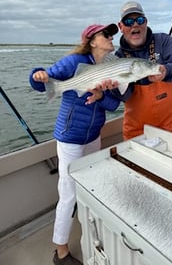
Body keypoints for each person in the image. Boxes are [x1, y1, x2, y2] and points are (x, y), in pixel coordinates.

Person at [29, 23, 120, 265]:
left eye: (112, 34)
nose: (112, 38)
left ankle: (89, 232)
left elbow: (113, 105)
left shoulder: (110, 65)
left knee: (91, 186)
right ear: (92, 41)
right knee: (68, 193)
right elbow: (43, 81)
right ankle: (60, 251)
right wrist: (38, 75)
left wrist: (101, 96)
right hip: (70, 137)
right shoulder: (74, 62)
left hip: (93, 136)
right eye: (106, 35)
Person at [114, 1, 172, 140]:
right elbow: (125, 96)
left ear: (146, 22)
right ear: (121, 26)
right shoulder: (118, 57)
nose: (135, 25)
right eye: (129, 21)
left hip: (171, 125)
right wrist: (114, 88)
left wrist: (166, 71)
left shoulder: (163, 41)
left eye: (139, 20)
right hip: (137, 130)